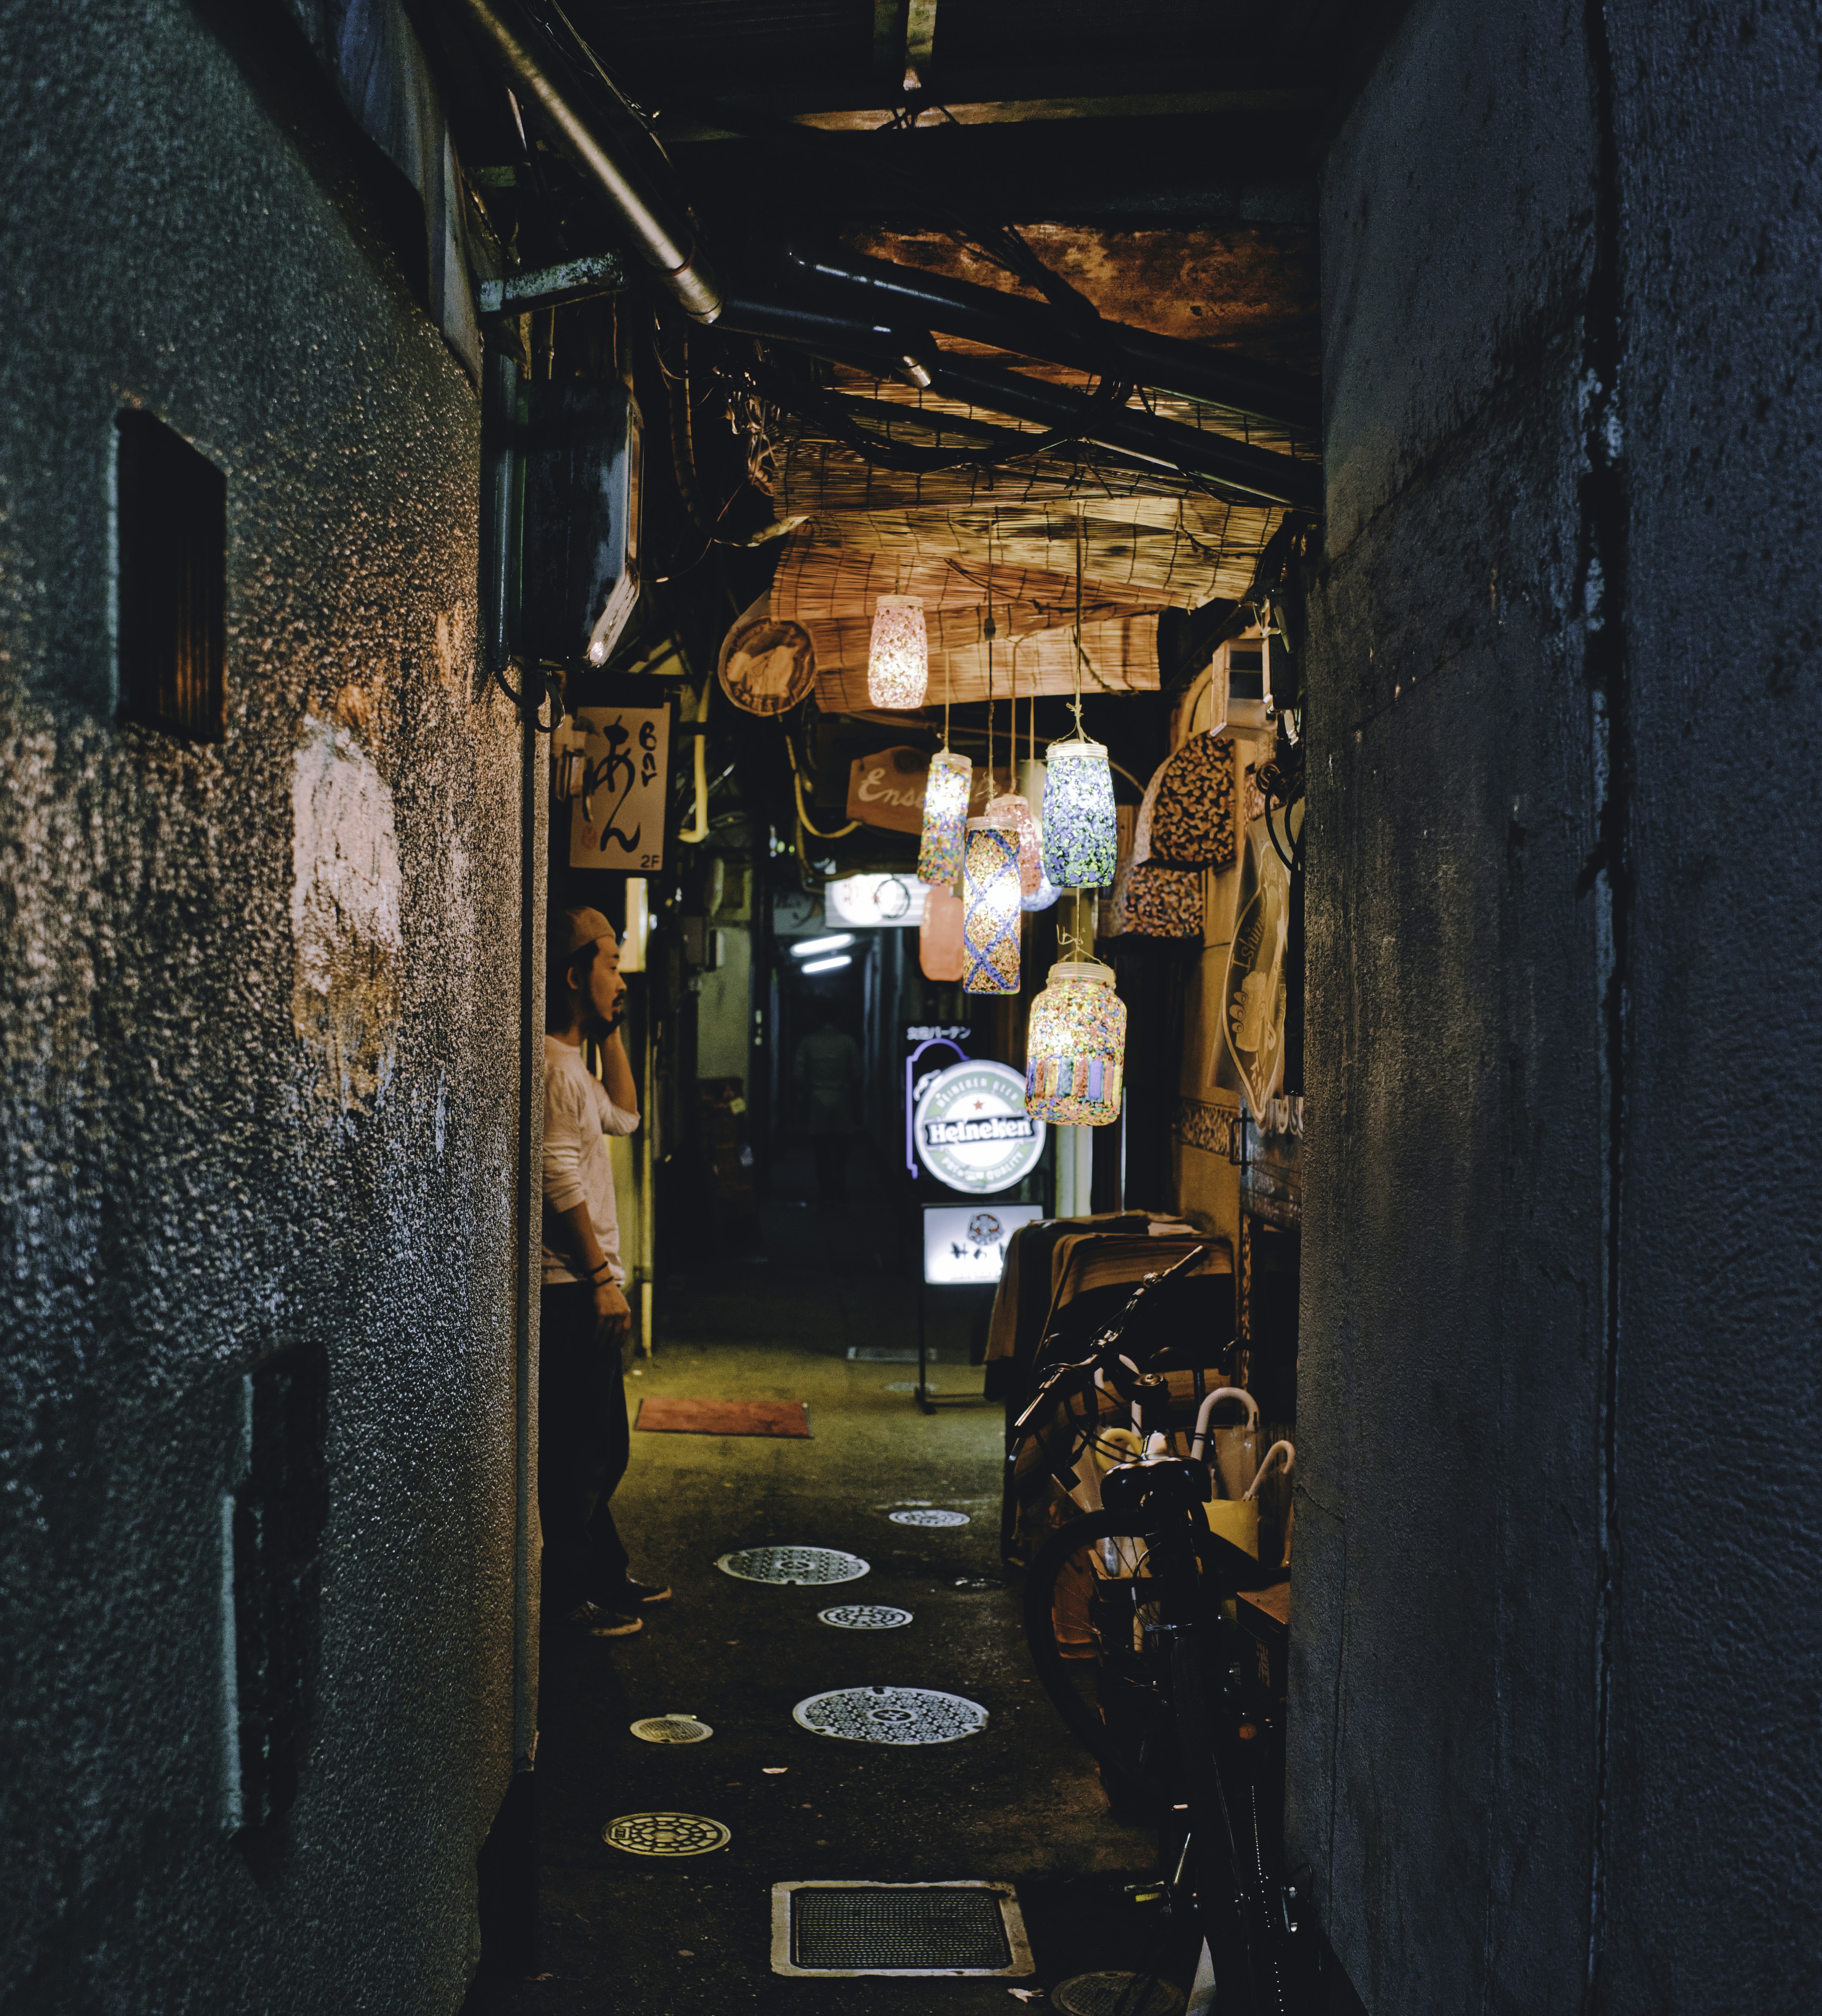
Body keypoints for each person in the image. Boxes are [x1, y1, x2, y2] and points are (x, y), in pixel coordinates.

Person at [541, 906, 670, 1638]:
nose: (620, 978)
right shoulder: (554, 1070)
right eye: (610, 964)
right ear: (571, 974)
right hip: (569, 1289)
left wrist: (612, 1025)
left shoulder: (574, 1066)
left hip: (580, 1286)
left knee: (590, 1442)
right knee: (586, 1450)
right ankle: (564, 1600)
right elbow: (557, 1179)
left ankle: (602, 1573)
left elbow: (625, 1115)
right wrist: (601, 1278)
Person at [792, 1013, 862, 1203]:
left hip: (817, 1095)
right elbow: (857, 1072)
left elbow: (798, 1073)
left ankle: (824, 1186)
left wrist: (808, 1089)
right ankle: (840, 1180)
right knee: (842, 1143)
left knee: (820, 1145)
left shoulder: (808, 1042)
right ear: (838, 1020)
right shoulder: (848, 1041)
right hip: (841, 1095)